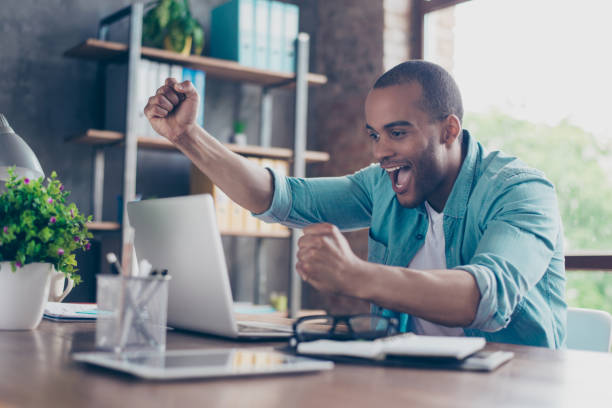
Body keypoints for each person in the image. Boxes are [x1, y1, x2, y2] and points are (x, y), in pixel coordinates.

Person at [144, 60, 566, 348]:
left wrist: (354, 275)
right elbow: (281, 197)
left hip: (513, 388)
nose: (381, 151)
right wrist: (186, 137)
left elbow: (483, 297)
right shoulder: (383, 183)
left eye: (397, 133)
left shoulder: (521, 192)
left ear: (449, 130)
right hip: (411, 382)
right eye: (374, 134)